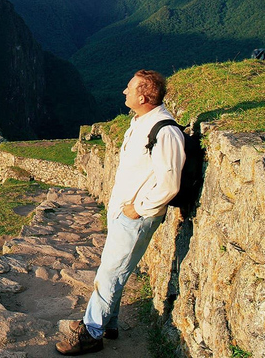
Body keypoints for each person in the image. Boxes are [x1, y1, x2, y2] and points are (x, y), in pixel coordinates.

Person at [56, 70, 186, 356]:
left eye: (129, 89)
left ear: (143, 96)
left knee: (111, 272)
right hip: (122, 212)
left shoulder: (165, 131)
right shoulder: (140, 123)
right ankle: (109, 323)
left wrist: (137, 210)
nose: (124, 92)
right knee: (112, 268)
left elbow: (170, 183)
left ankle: (92, 332)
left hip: (136, 216)